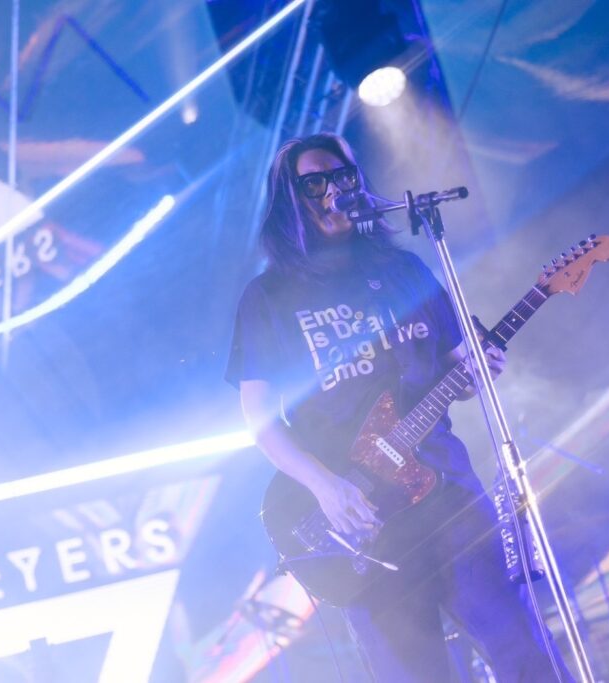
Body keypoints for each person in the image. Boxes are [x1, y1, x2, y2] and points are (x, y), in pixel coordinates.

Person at [225, 133, 574, 681]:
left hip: (448, 493)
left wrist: (481, 369)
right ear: (289, 200)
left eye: (342, 177)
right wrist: (326, 487)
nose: (332, 191)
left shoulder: (404, 271)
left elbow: (458, 368)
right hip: (360, 519)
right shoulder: (269, 297)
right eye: (314, 183)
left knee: (523, 648)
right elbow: (260, 419)